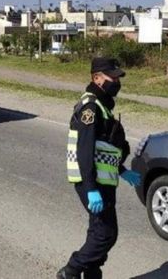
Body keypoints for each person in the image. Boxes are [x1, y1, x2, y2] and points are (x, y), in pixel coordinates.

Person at [58, 57, 141, 279]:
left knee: (97, 231)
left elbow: (104, 147)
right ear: (96, 78)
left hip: (103, 180)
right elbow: (85, 149)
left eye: (117, 77)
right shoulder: (91, 107)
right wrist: (90, 186)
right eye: (111, 77)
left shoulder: (103, 105)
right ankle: (71, 271)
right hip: (92, 182)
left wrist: (121, 170)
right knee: (106, 234)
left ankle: (92, 274)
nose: (116, 81)